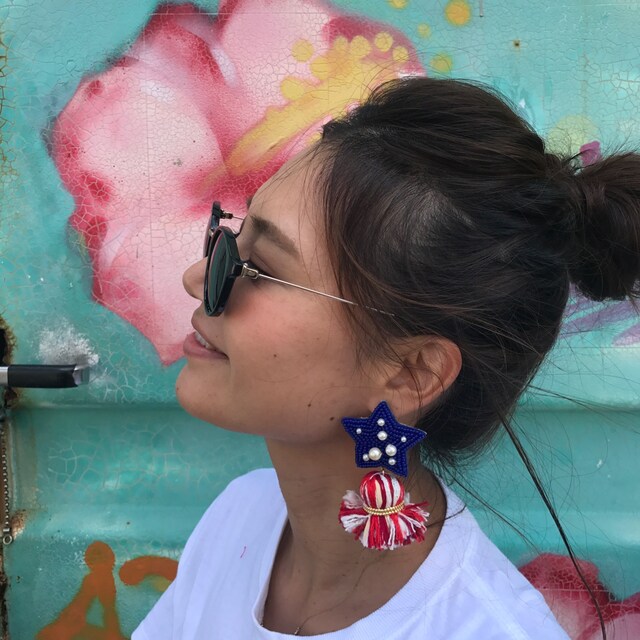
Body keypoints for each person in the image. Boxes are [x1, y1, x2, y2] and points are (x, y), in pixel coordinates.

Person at [132, 76, 640, 639]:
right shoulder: (242, 516)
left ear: (411, 373)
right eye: (231, 237)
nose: (198, 278)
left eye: (261, 270)